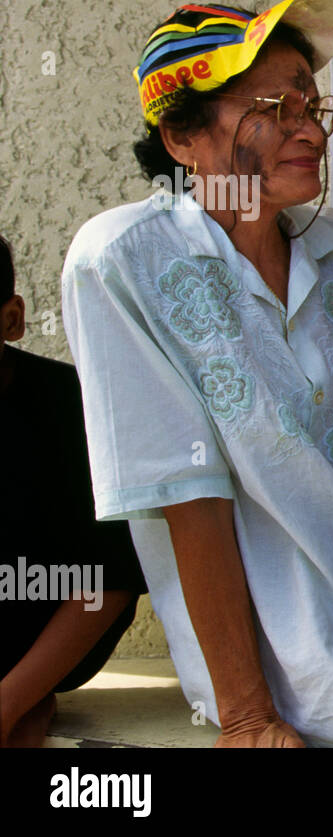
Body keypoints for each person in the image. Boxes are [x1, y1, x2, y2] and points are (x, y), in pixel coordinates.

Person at [61, 0, 333, 747]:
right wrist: (248, 714)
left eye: (311, 107)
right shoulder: (124, 259)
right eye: (271, 109)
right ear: (183, 136)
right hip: (287, 642)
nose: (308, 132)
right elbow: (187, 493)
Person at [1, 235, 148, 748]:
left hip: (41, 633)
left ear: (12, 320)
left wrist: (8, 705)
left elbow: (107, 583)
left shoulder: (73, 408)